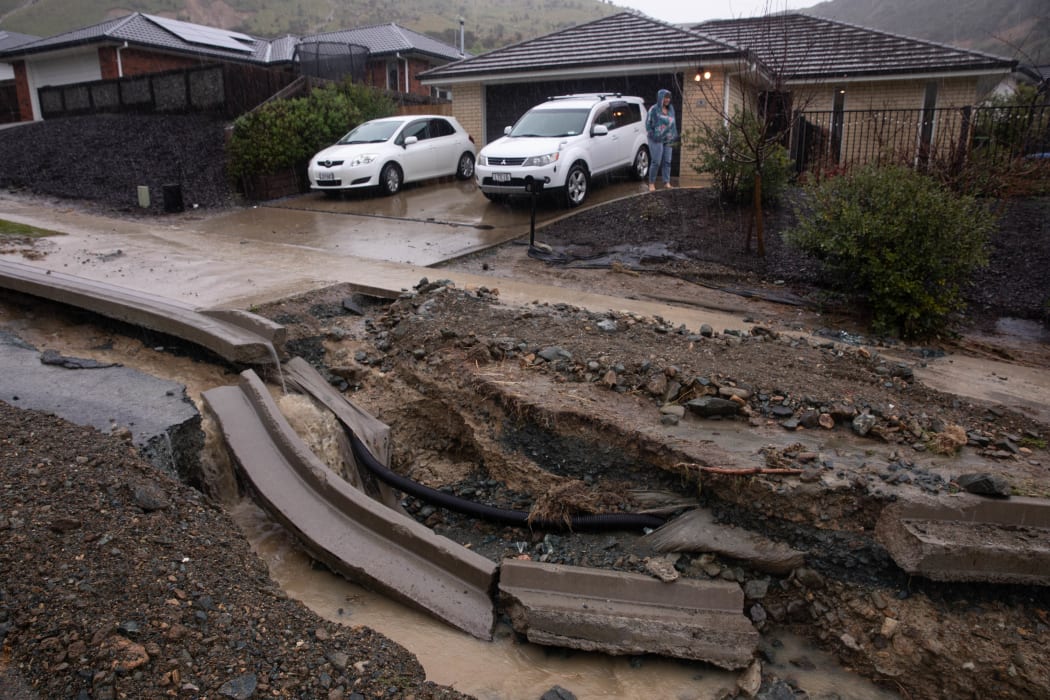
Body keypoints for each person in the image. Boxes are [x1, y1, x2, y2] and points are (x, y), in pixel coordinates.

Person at [645, 88, 678, 192]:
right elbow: (647, 124)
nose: (667, 99)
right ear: (660, 98)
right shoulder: (653, 109)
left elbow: (673, 123)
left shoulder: (671, 109)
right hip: (656, 139)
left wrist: (674, 135)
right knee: (656, 161)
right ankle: (651, 183)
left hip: (668, 139)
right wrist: (653, 135)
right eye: (665, 97)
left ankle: (666, 182)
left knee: (667, 161)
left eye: (668, 97)